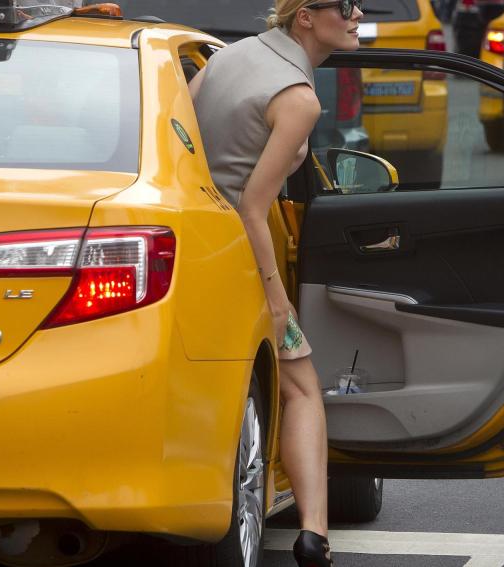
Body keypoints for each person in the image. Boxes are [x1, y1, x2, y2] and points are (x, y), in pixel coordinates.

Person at [189, 1, 363, 565]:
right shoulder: (299, 100)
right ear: (306, 18)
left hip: (188, 239)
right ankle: (314, 533)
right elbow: (252, 204)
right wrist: (276, 297)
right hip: (244, 253)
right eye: (345, 5)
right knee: (301, 387)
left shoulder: (223, 57)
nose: (358, 13)